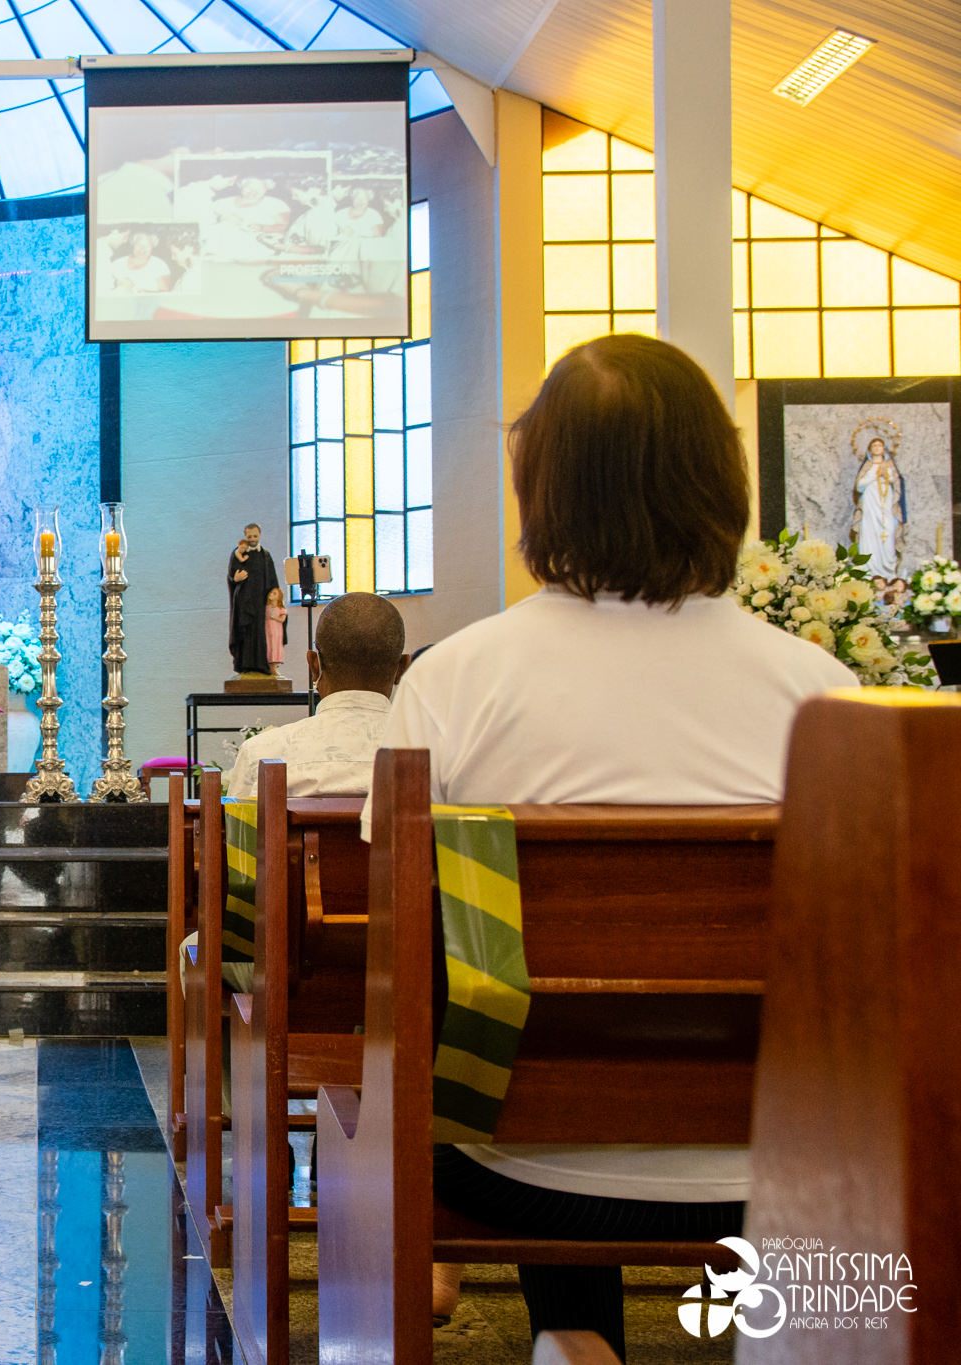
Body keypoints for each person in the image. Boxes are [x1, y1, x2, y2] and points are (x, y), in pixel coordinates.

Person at [363, 333, 856, 1356]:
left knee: (506, 1054)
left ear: (537, 485)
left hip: (519, 1167)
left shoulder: (454, 681)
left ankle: (575, 1335)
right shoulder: (821, 691)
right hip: (786, 1158)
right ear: (719, 480)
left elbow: (395, 942)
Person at [223, 591, 405, 800]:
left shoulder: (262, 754)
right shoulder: (432, 753)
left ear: (314, 666)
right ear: (402, 669)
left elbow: (236, 823)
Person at [227, 524, 280, 674]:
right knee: (244, 631)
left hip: (261, 601)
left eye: (255, 536)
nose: (252, 539)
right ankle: (244, 666)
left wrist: (275, 599)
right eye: (249, 536)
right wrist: (235, 578)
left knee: (262, 632)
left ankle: (262, 666)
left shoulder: (265, 555)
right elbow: (231, 574)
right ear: (245, 536)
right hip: (243, 601)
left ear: (259, 535)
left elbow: (272, 579)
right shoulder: (238, 553)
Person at [851, 433, 907, 578]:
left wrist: (886, 474)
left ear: (884, 449)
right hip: (870, 506)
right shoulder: (868, 467)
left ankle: (889, 572)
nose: (877, 448)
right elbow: (859, 487)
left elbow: (897, 484)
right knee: (869, 534)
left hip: (887, 505)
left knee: (889, 532)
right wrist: (874, 474)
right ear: (870, 449)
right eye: (874, 445)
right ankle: (869, 572)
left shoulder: (890, 466)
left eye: (879, 445)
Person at [107, 232, 174, 293]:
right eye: (139, 245)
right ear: (133, 245)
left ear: (153, 247)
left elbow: (164, 294)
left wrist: (141, 292)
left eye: (147, 246)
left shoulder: (159, 265)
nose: (142, 249)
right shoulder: (117, 264)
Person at [264, 586, 288, 669]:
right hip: (267, 630)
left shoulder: (280, 608)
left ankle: (274, 664)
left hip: (276, 631)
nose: (271, 594)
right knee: (268, 645)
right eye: (271, 592)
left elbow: (282, 619)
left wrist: (274, 617)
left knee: (275, 646)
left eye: (274, 593)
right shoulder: (266, 608)